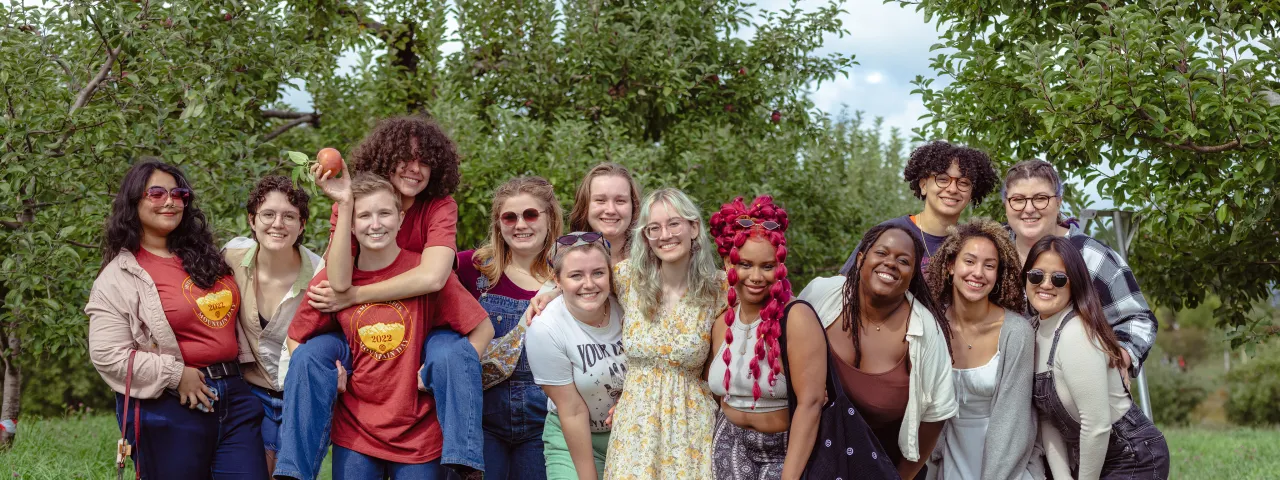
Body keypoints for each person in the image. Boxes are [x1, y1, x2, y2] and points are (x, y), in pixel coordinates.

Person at [277, 116, 494, 480]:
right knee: (313, 355)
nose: (415, 168)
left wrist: (354, 297)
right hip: (358, 336)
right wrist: (346, 203)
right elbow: (338, 281)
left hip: (428, 319)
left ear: (399, 216)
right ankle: (293, 471)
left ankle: (463, 460)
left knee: (450, 353)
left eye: (425, 161)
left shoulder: (439, 206)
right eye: (405, 158)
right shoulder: (351, 203)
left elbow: (433, 276)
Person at [86, 159, 267, 479]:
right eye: (155, 193)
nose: (170, 201)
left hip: (236, 398)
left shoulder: (209, 256)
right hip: (170, 405)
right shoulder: (116, 278)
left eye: (178, 193)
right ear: (133, 202)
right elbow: (108, 355)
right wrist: (174, 374)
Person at [799, 224, 957, 480]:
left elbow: (936, 416)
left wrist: (899, 477)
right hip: (811, 461)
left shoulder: (925, 331)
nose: (890, 263)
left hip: (882, 468)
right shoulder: (821, 295)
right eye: (881, 253)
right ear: (861, 259)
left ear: (913, 274)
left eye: (903, 260)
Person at [603, 188, 725, 479]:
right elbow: (575, 275)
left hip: (690, 426)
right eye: (653, 228)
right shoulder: (627, 278)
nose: (664, 235)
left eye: (674, 224)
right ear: (645, 237)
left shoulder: (719, 289)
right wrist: (545, 293)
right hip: (635, 427)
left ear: (693, 227)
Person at [1023, 236, 1170, 480]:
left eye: (1059, 279)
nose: (1045, 285)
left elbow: (1097, 426)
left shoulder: (1076, 333)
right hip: (1092, 454)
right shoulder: (1034, 332)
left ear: (1075, 284)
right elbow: (1048, 419)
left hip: (1132, 454)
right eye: (1037, 275)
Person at [1001, 159, 1157, 380]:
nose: (1029, 208)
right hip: (1003, 391)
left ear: (1058, 202)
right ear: (1006, 204)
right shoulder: (991, 250)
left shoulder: (1091, 256)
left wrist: (1119, 361)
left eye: (1041, 199)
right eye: (1018, 200)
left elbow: (1139, 320)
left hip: (1071, 393)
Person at [706, 196, 826, 480]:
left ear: (780, 266)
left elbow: (810, 405)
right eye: (745, 264)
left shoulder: (795, 318)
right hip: (728, 445)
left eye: (767, 266)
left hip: (782, 452)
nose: (756, 276)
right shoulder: (722, 322)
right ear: (728, 262)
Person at [455, 177, 564, 480]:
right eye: (509, 217)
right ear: (498, 224)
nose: (520, 225)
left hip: (543, 423)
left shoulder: (569, 275)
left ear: (549, 218)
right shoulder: (471, 268)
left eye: (531, 214)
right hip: (480, 420)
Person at [922, 219, 1042, 480]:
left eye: (989, 266)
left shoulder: (1016, 333)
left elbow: (1014, 423)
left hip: (1008, 469)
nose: (978, 273)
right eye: (969, 261)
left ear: (997, 275)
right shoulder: (931, 327)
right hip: (950, 462)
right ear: (951, 266)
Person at [223, 176, 325, 475]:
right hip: (251, 393)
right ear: (252, 220)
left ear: (302, 224)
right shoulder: (231, 259)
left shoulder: (321, 273)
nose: (277, 224)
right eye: (268, 214)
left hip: (302, 398)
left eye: (289, 216)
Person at [525, 232, 628, 480]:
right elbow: (572, 410)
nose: (589, 284)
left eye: (598, 273)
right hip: (574, 436)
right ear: (557, 280)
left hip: (629, 431)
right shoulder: (546, 328)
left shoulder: (626, 305)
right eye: (576, 276)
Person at [840, 140, 999, 276]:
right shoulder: (887, 233)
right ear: (923, 185)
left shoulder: (971, 243)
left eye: (963, 183)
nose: (952, 189)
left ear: (972, 193)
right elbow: (843, 287)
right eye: (942, 179)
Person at [567, 162, 642, 264]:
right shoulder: (564, 261)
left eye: (620, 201)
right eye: (600, 200)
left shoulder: (653, 260)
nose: (611, 210)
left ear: (633, 206)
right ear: (585, 205)